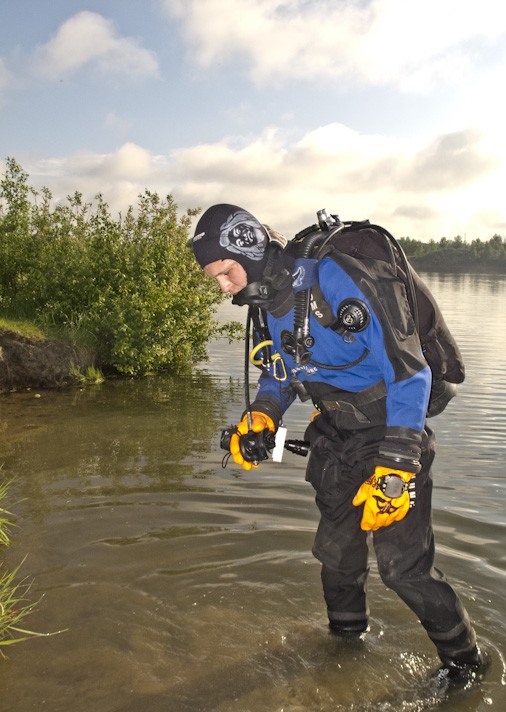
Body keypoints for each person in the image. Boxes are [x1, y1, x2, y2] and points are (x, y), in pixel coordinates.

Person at [191, 203, 489, 684]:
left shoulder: (336, 278)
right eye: (216, 279)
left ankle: (466, 663)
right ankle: (344, 651)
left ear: (246, 246)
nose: (223, 288)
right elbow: (278, 373)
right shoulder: (266, 305)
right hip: (334, 438)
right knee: (336, 558)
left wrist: (396, 469)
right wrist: (262, 416)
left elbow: (412, 372)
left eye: (225, 272)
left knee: (402, 569)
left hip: (393, 432)